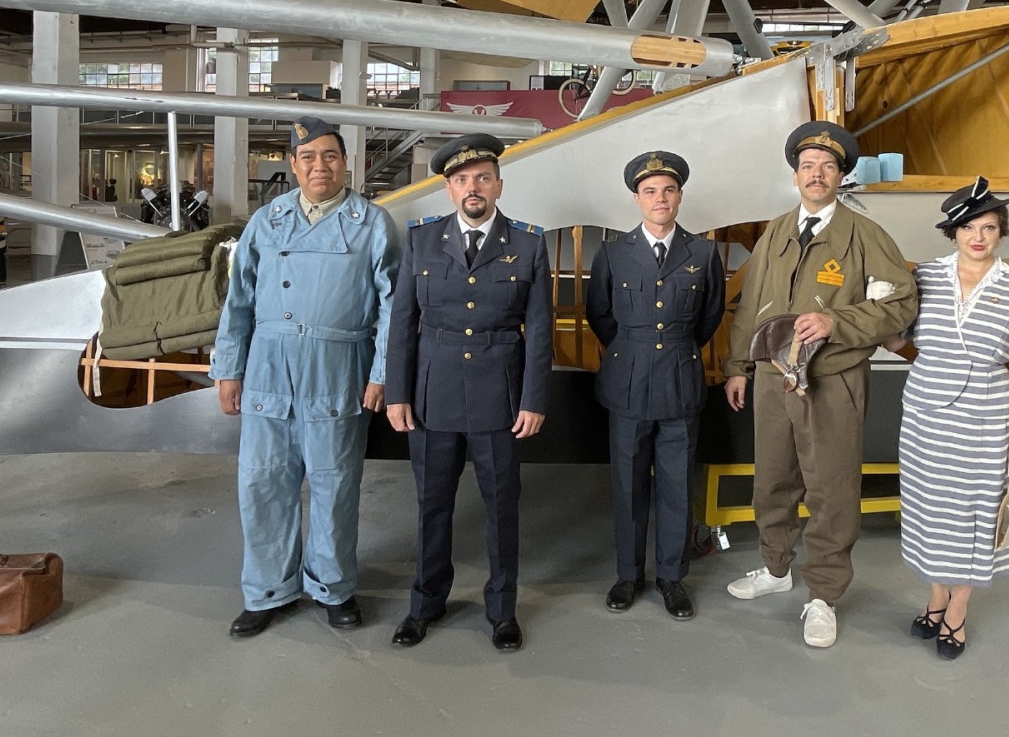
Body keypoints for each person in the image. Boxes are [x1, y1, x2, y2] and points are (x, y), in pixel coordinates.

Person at [723, 121, 918, 648]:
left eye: (828, 166)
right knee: (773, 480)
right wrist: (738, 366)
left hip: (832, 380)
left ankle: (824, 596)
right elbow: (751, 305)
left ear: (840, 177)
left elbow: (901, 303)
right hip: (772, 377)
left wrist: (837, 322)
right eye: (808, 166)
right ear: (795, 176)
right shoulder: (776, 232)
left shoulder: (865, 236)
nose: (817, 174)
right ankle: (775, 567)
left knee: (831, 489)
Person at [210, 116, 399, 638]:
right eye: (309, 157)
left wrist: (382, 372)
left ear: (346, 163)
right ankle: (266, 591)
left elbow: (393, 306)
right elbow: (238, 300)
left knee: (335, 484)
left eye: (330, 156)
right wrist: (228, 369)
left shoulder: (372, 223)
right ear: (293, 165)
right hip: (267, 365)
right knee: (263, 480)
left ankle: (332, 588)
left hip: (338, 366)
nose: (320, 166)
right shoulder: (266, 221)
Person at [386, 133, 553, 652]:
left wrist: (533, 399)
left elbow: (540, 330)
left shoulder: (528, 243)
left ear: (499, 185)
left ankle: (502, 611)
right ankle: (425, 604)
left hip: (499, 398)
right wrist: (397, 393)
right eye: (461, 180)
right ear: (449, 190)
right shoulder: (421, 240)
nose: (472, 187)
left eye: (482, 177)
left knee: (502, 507)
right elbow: (402, 322)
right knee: (432, 505)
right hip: (432, 395)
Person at [898, 177, 1009, 660]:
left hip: (986, 418)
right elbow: (897, 341)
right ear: (953, 232)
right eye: (967, 227)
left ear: (1001, 232)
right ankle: (936, 596)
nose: (978, 237)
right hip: (925, 412)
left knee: (976, 514)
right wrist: (880, 305)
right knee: (931, 508)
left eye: (988, 227)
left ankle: (957, 609)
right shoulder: (923, 278)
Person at [584, 151, 726, 619]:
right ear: (637, 199)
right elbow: (600, 314)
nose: (659, 198)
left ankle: (671, 577)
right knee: (627, 485)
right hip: (627, 381)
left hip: (681, 381)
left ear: (680, 196)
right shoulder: (612, 253)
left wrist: (676, 349)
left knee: (676, 484)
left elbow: (709, 317)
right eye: (650, 191)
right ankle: (628, 574)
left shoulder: (703, 254)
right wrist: (634, 350)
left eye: (668, 190)